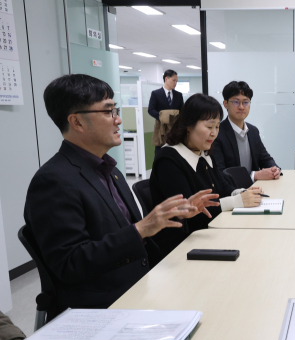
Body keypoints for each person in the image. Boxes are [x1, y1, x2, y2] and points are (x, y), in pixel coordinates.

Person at [24, 74, 216, 316]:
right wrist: (141, 228)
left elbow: (133, 238)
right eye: (108, 112)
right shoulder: (53, 181)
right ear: (77, 122)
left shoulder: (109, 170)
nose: (118, 120)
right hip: (104, 306)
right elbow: (71, 263)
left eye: (115, 109)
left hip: (140, 282)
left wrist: (175, 215)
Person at [150, 94, 264, 253]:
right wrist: (236, 201)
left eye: (217, 127)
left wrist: (241, 192)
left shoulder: (203, 153)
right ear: (188, 125)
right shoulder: (169, 160)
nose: (214, 133)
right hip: (181, 246)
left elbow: (222, 187)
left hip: (210, 233)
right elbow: (193, 212)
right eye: (209, 127)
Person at [211, 81, 280, 182]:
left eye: (245, 102)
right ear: (225, 104)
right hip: (231, 193)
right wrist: (255, 175)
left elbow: (265, 158)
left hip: (256, 189)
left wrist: (274, 169)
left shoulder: (253, 131)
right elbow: (221, 172)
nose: (241, 107)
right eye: (236, 102)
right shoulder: (217, 133)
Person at [148, 69, 185, 155]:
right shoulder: (156, 94)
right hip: (161, 127)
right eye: (174, 80)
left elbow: (182, 110)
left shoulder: (179, 95)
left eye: (176, 81)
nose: (175, 83)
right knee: (160, 150)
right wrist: (163, 118)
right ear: (166, 79)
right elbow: (151, 109)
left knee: (176, 150)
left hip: (175, 127)